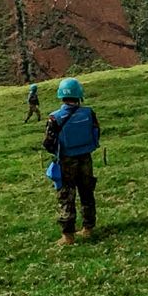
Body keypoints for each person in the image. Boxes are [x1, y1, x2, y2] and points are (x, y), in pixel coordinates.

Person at [42, 77, 101, 246]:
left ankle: (68, 236)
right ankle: (88, 228)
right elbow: (96, 133)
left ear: (61, 96)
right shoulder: (89, 113)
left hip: (66, 161)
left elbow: (48, 142)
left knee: (66, 196)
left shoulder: (55, 118)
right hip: (85, 158)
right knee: (87, 192)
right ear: (79, 96)